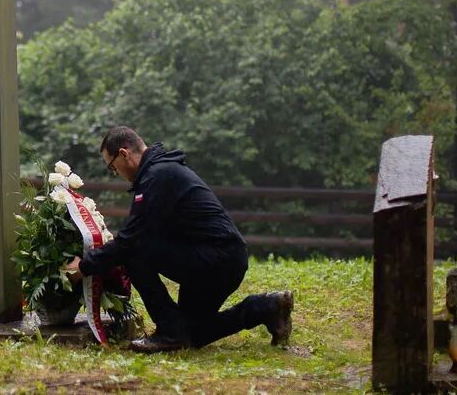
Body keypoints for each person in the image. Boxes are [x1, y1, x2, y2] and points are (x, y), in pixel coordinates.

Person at [65, 125, 293, 353]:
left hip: (216, 260)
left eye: (113, 167)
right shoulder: (160, 173)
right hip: (221, 258)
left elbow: (132, 239)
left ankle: (168, 332)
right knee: (193, 334)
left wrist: (84, 266)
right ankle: (266, 307)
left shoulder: (158, 176)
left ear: (124, 153)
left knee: (134, 251)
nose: (116, 174)